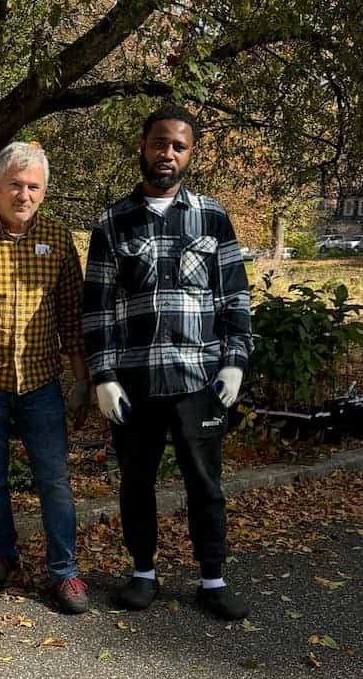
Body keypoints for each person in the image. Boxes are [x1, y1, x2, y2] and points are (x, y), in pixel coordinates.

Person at [82, 105, 253, 620]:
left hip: (201, 379)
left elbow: (235, 297)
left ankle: (213, 579)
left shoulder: (212, 217)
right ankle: (143, 573)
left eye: (178, 146)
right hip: (135, 382)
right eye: (160, 143)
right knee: (136, 482)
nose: (167, 154)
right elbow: (98, 308)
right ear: (143, 146)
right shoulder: (113, 222)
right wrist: (104, 375)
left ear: (190, 154)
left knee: (205, 481)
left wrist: (235, 362)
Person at [0, 142, 92, 614]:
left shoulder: (57, 237)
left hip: (40, 383)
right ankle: (1, 555)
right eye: (15, 184)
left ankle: (64, 571)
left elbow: (72, 312)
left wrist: (80, 379)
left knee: (54, 480)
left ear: (44, 193)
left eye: (33, 187)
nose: (23, 194)